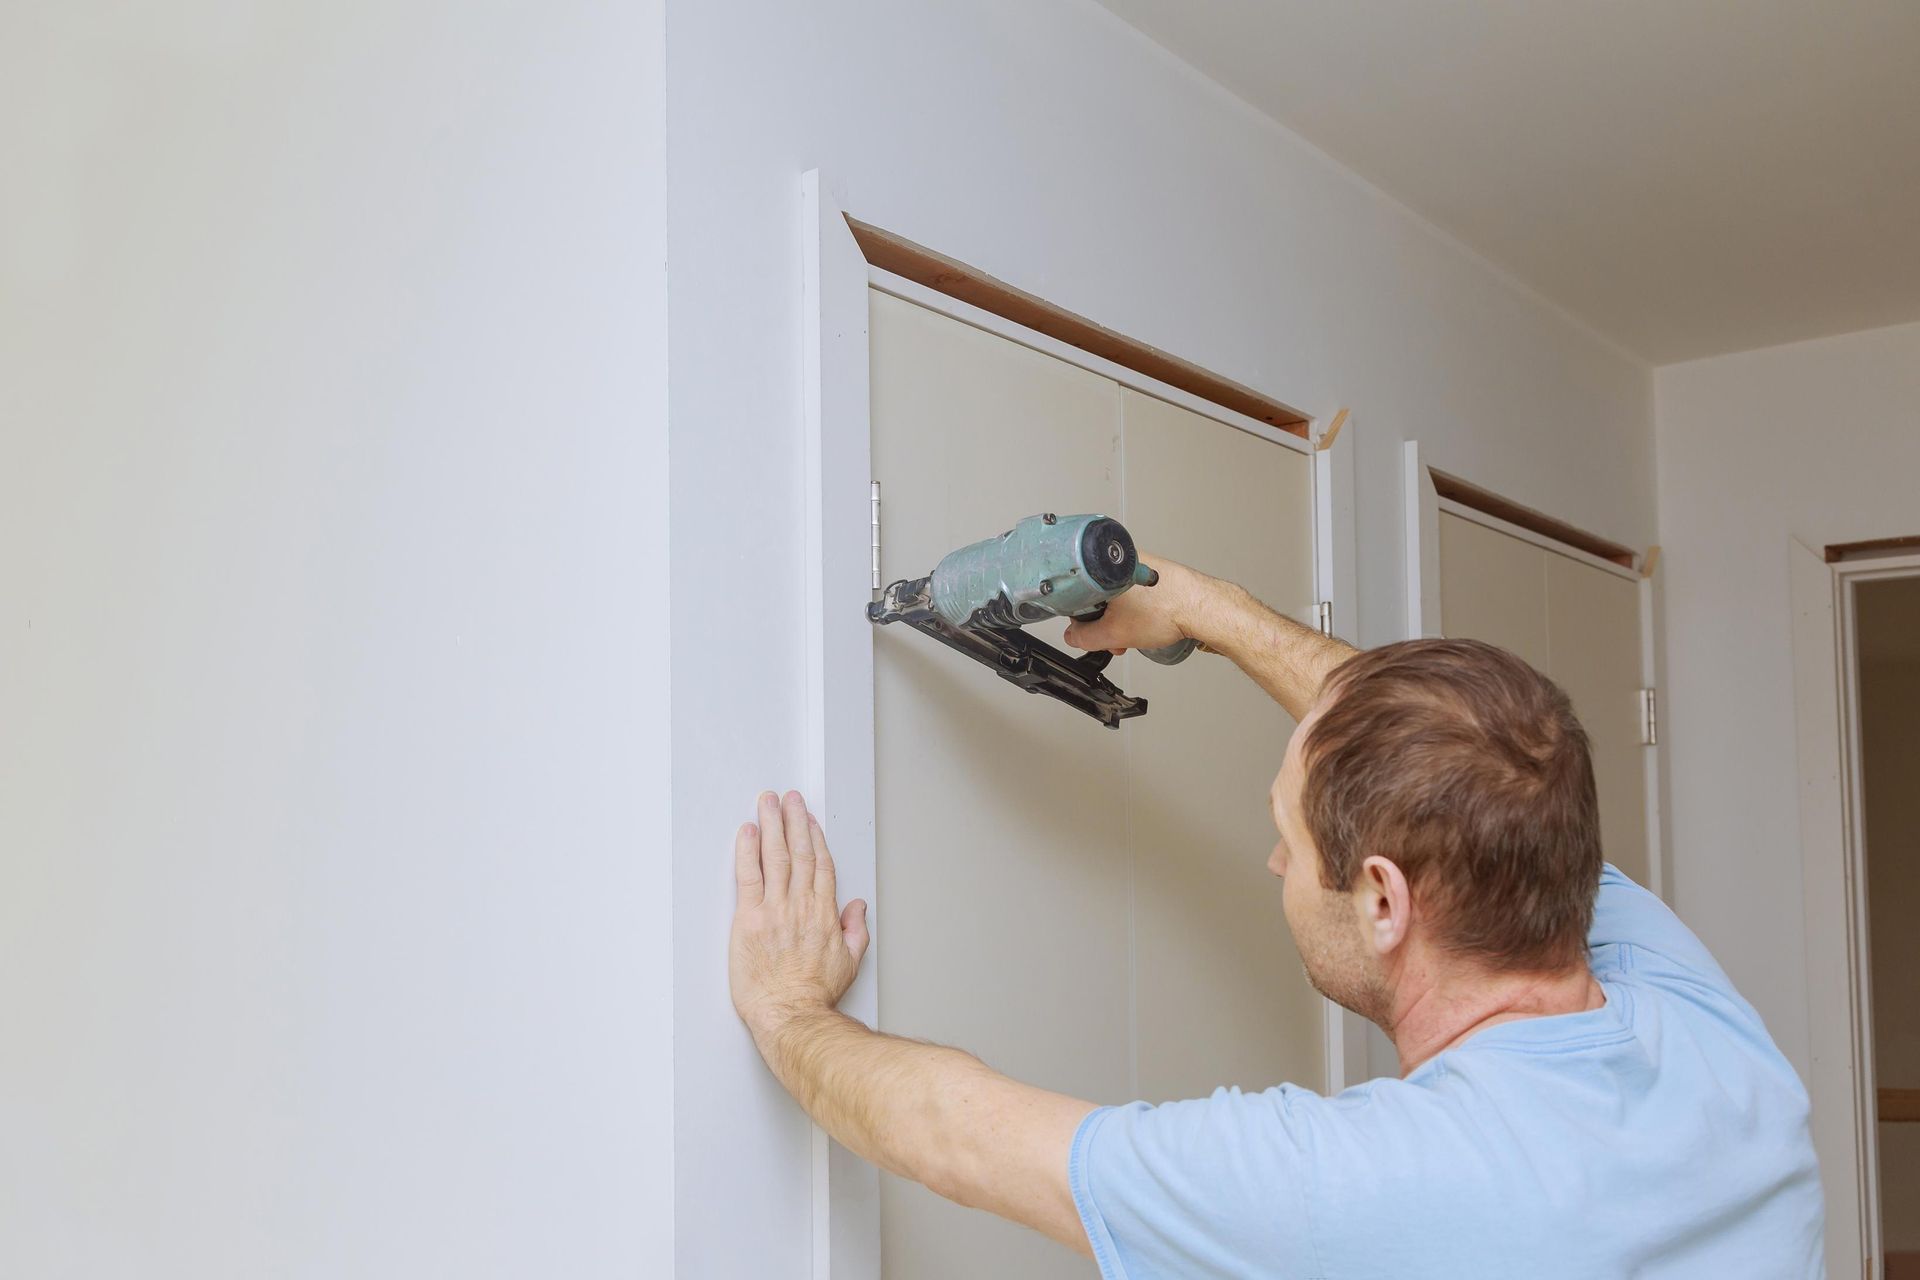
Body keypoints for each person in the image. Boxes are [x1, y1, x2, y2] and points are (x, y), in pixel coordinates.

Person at [727, 554, 1825, 1278]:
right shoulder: (1704, 1028)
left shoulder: (1360, 1186)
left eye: (1292, 841)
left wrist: (786, 1010)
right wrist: (1205, 612)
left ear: (1385, 897)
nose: (1274, 861)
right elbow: (1451, 745)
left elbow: (955, 1133)